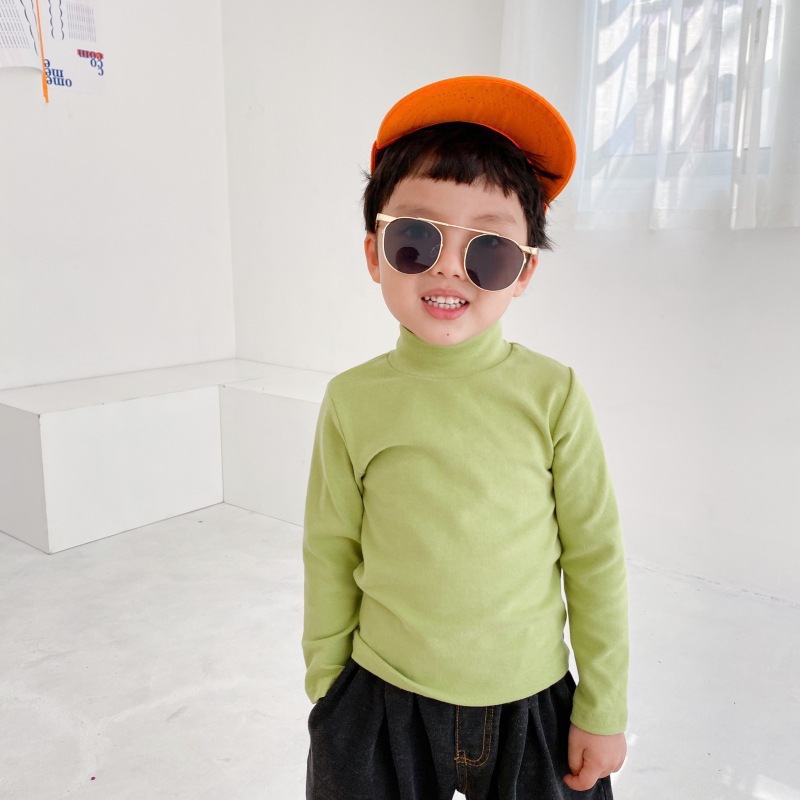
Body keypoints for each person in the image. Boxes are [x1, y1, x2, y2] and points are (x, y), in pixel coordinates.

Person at [302, 75, 629, 800]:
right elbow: (330, 547)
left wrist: (602, 706)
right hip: (381, 695)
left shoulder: (554, 395)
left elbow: (595, 556)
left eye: (489, 249)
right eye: (417, 238)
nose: (450, 266)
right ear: (373, 253)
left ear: (524, 273)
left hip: (531, 699)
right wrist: (328, 685)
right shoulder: (352, 401)